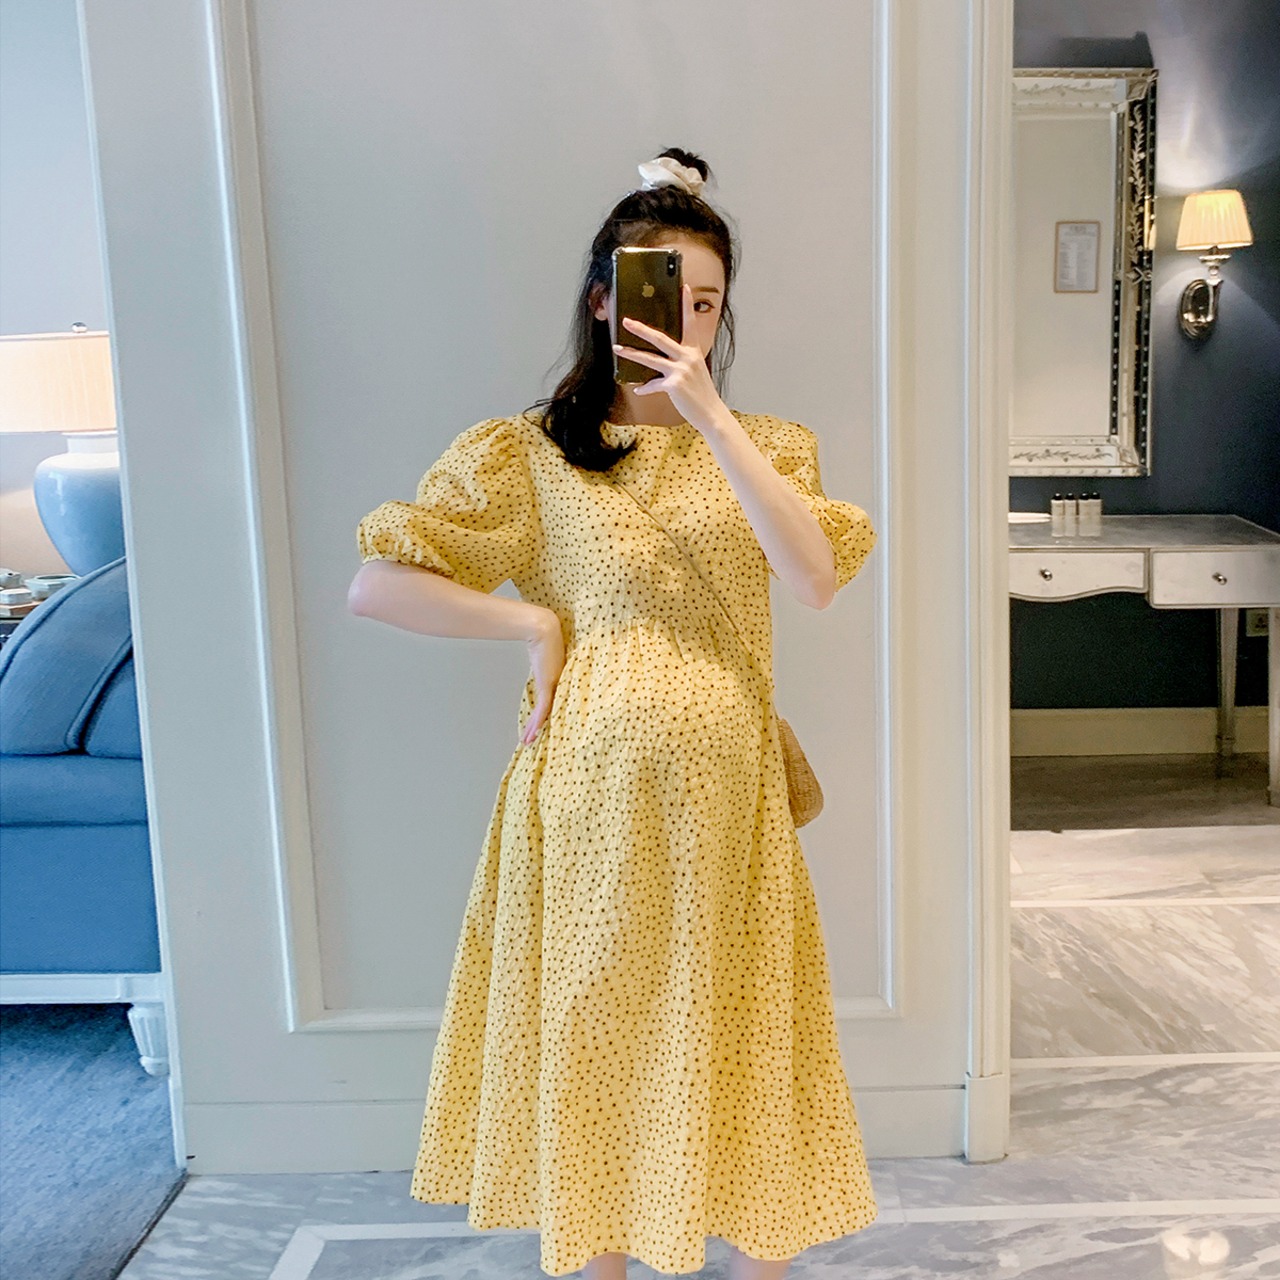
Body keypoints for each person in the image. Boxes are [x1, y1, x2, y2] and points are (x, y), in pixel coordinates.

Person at [348, 147, 879, 1280]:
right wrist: (532, 624)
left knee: (748, 1033)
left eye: (707, 303)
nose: (684, 319)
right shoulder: (531, 455)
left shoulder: (770, 449)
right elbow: (377, 584)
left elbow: (814, 580)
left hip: (731, 803)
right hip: (589, 799)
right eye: (660, 292)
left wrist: (710, 417)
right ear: (603, 300)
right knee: (598, 1034)